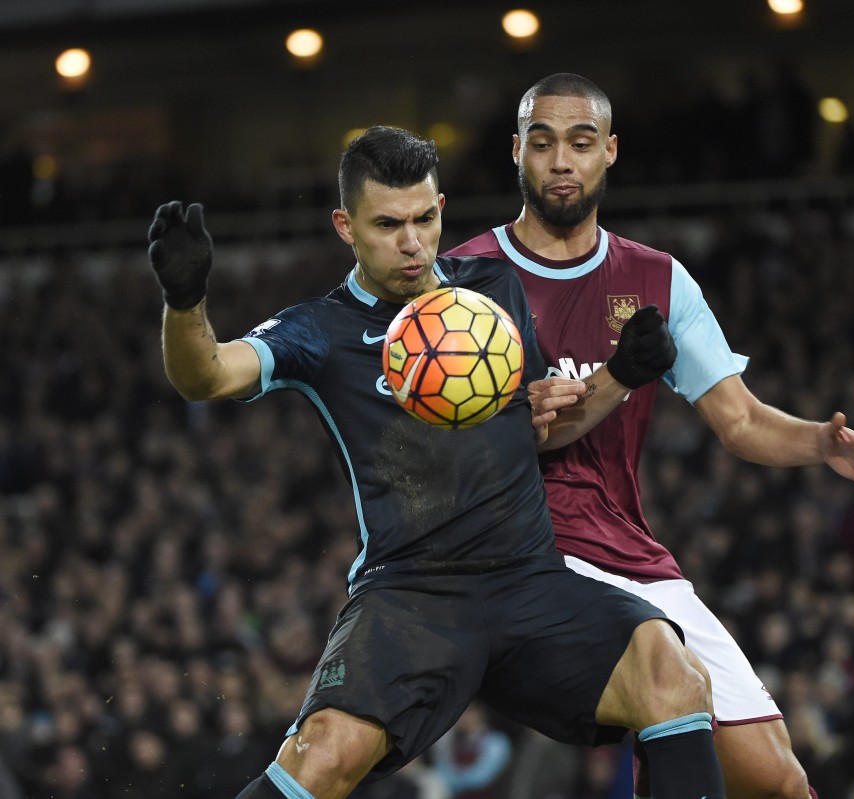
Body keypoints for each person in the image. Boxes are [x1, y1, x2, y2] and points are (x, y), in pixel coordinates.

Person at [144, 125, 728, 799]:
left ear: (442, 208)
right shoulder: (320, 331)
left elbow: (536, 426)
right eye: (388, 224)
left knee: (672, 674)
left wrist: (620, 371)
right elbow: (208, 375)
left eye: (424, 218)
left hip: (529, 580)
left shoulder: (494, 293)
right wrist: (185, 304)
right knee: (322, 760)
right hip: (410, 597)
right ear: (345, 225)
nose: (412, 242)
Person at [446, 73, 854, 799]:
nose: (562, 161)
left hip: (627, 545)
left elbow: (739, 419)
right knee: (666, 686)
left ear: (610, 152)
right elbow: (463, 442)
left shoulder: (659, 279)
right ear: (518, 153)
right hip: (522, 547)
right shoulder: (464, 279)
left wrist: (819, 442)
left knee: (780, 779)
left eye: (581, 143)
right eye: (544, 142)